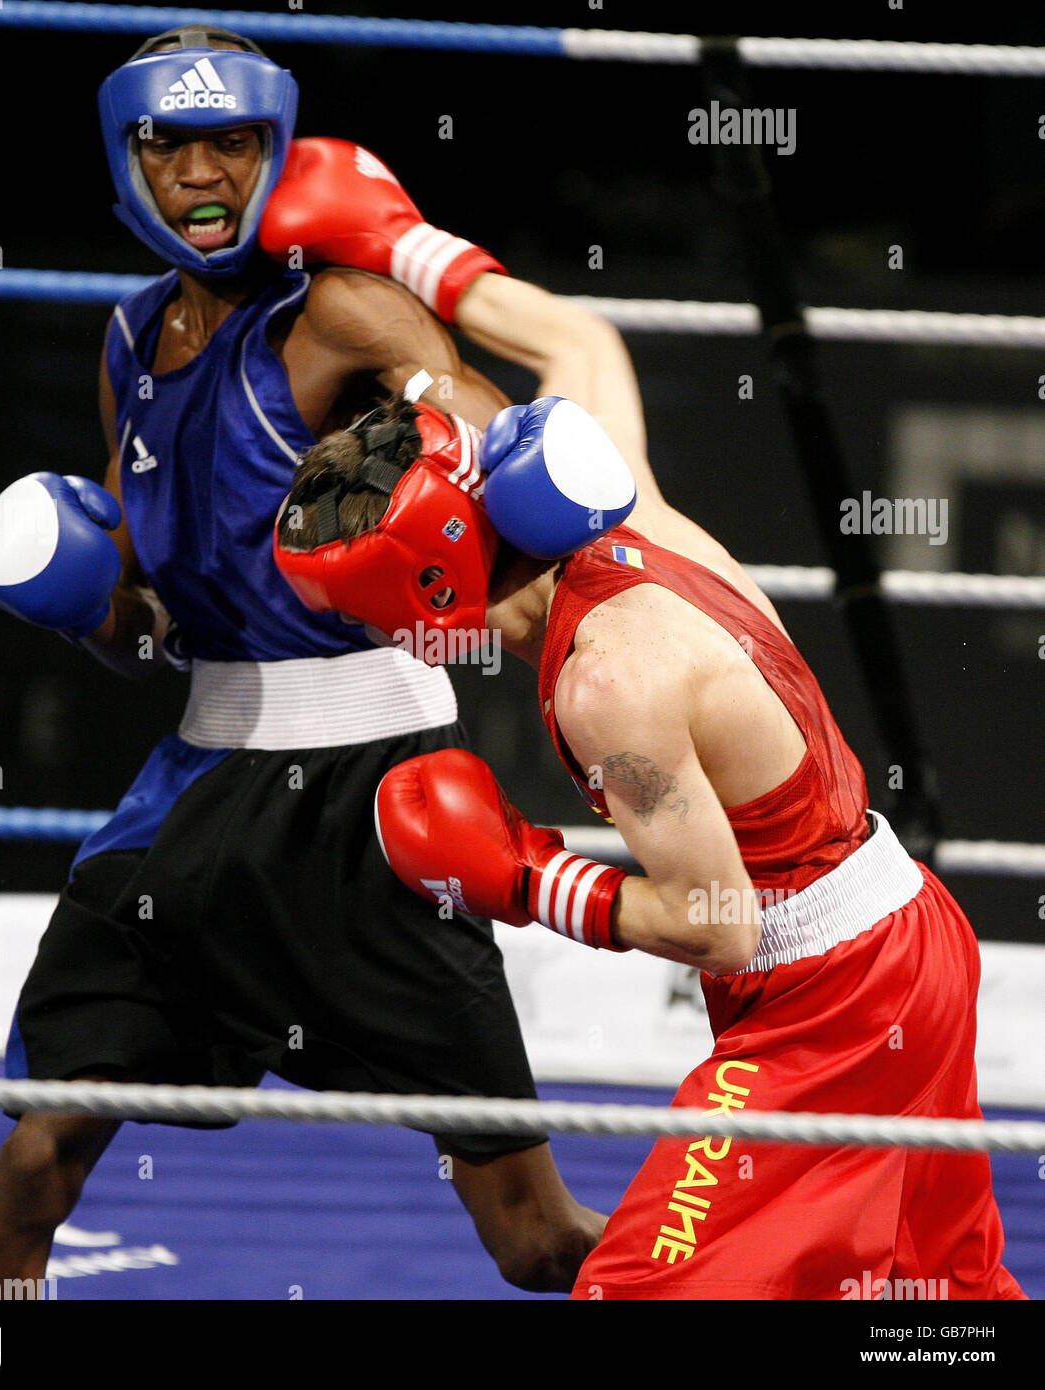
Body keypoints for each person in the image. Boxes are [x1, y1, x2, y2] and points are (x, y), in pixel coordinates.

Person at [0, 24, 641, 1295]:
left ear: (279, 155)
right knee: (40, 1153)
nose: (204, 175)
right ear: (129, 158)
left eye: (235, 143)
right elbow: (148, 632)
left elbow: (503, 446)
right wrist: (83, 602)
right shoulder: (128, 344)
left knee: (536, 1241)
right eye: (174, 147)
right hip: (191, 800)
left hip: (377, 808)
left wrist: (445, 460)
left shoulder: (333, 309)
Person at [272, 384, 1027, 1299]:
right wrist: (428, 295)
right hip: (905, 936)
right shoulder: (650, 537)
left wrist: (529, 880)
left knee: (636, 1289)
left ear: (426, 589)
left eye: (357, 611)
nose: (356, 633)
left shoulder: (607, 685)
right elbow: (582, 353)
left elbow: (718, 930)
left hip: (835, 1000)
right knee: (938, 1297)